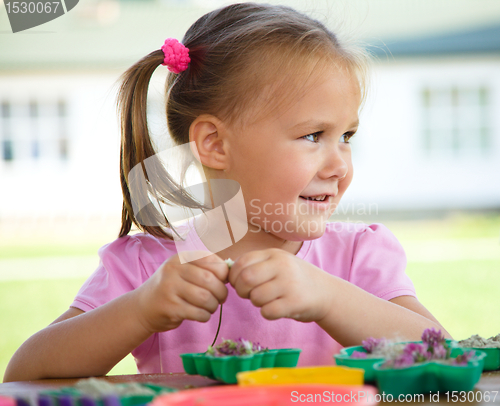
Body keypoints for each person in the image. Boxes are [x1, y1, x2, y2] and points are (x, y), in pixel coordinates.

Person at [4, 2, 451, 382]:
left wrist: (330, 296)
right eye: (313, 135)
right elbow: (25, 375)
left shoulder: (357, 257)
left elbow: (445, 360)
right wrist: (141, 310)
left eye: (347, 136)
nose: (339, 166)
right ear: (215, 145)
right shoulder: (147, 267)